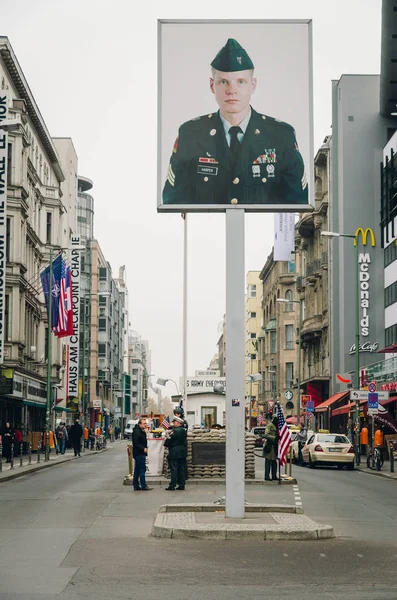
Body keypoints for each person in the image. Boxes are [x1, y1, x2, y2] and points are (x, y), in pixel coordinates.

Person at [163, 38, 307, 207]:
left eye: (241, 82)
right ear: (212, 85)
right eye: (223, 82)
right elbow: (173, 202)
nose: (232, 90)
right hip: (208, 231)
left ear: (253, 85)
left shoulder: (281, 136)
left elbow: (297, 202)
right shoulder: (191, 134)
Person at [164, 416, 187, 491]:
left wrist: (166, 443)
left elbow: (169, 440)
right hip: (182, 451)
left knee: (174, 469)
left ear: (178, 423)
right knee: (181, 468)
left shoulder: (175, 431)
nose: (173, 423)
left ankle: (172, 485)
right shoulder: (184, 430)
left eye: (174, 422)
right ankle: (181, 484)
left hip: (174, 451)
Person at [132, 418, 152, 491]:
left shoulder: (140, 430)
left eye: (145, 423)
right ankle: (143, 485)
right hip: (139, 453)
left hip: (139, 453)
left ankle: (136, 485)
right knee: (142, 469)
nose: (145, 425)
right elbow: (136, 443)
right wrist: (143, 448)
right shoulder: (137, 432)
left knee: (137, 469)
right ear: (139, 424)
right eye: (144, 423)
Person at [263, 415, 279, 481]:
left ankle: (274, 475)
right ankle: (267, 476)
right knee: (268, 461)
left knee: (274, 462)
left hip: (275, 446)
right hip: (269, 445)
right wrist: (274, 437)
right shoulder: (269, 426)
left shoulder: (278, 427)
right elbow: (266, 434)